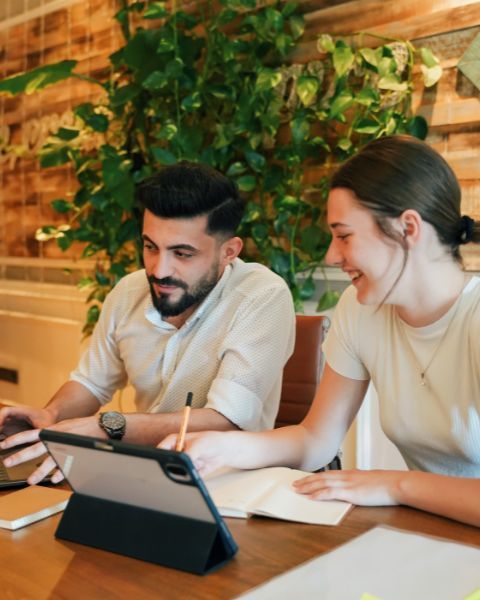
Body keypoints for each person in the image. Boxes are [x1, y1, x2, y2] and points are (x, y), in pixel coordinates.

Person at [161, 135, 480, 527]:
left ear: (407, 228)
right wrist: (222, 447)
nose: (330, 255)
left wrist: (396, 485)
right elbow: (315, 440)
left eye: (344, 236)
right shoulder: (361, 310)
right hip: (430, 533)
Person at [0, 161, 295, 484]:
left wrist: (107, 426)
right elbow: (92, 382)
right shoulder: (129, 291)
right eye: (150, 247)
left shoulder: (261, 296)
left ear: (229, 252)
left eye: (182, 254)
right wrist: (52, 415)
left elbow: (227, 420)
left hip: (228, 483)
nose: (159, 269)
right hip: (139, 476)